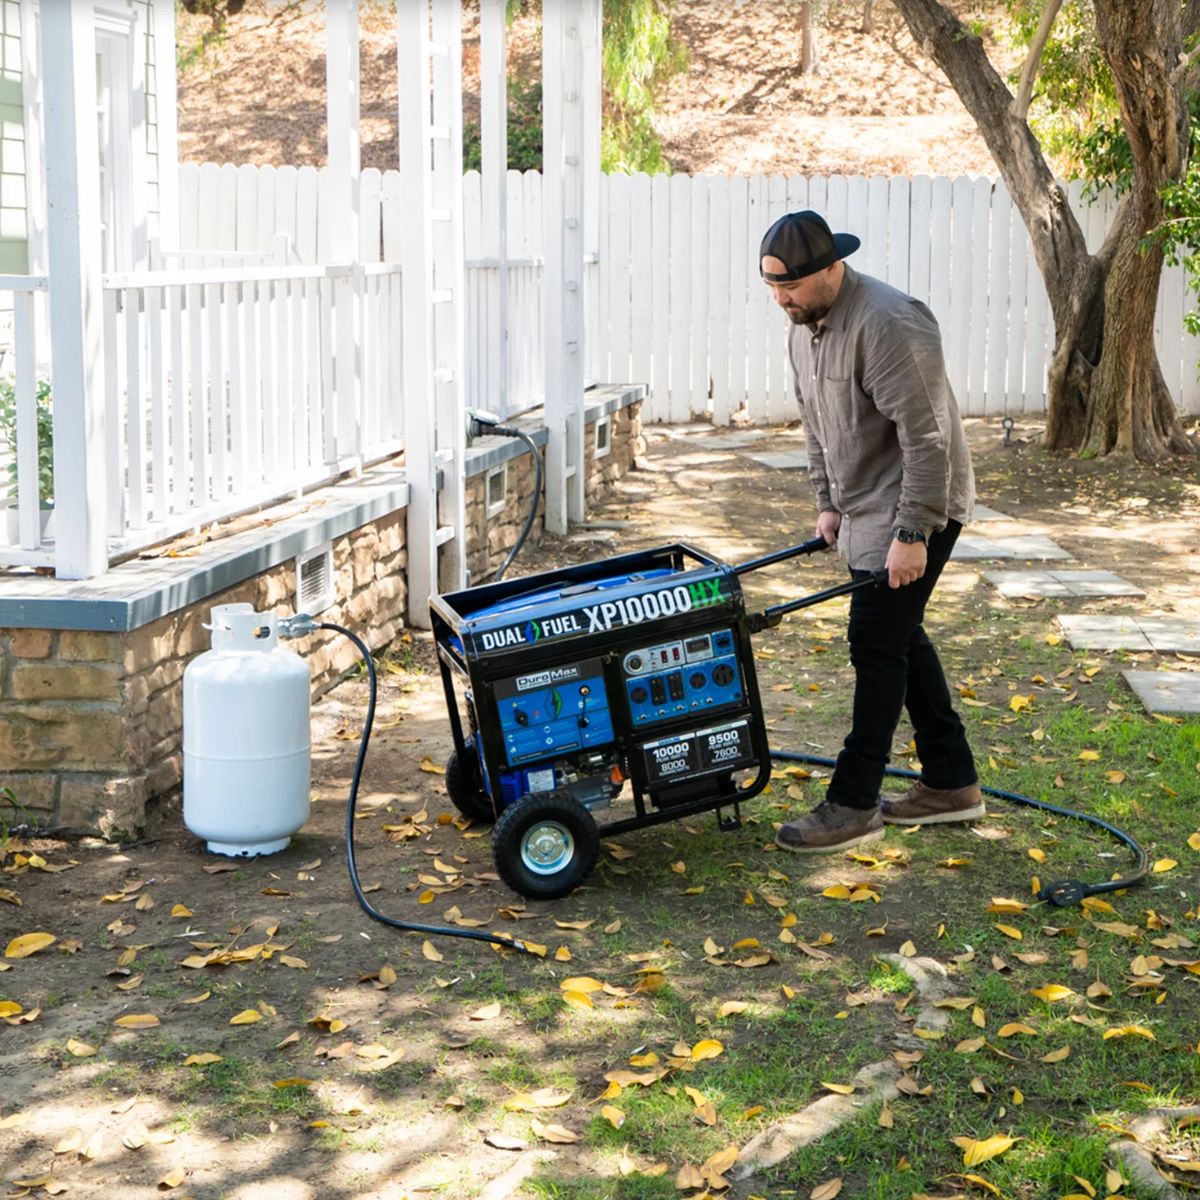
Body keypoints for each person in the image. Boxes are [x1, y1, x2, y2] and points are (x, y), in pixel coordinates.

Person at [759, 210, 982, 853]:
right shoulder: (803, 330)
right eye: (772, 286)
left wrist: (913, 532)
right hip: (861, 508)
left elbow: (927, 437)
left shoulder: (889, 321)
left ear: (832, 268)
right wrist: (827, 502)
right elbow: (815, 426)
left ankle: (854, 801)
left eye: (792, 285)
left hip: (920, 503)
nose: (782, 299)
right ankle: (951, 782)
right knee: (900, 637)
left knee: (875, 641)